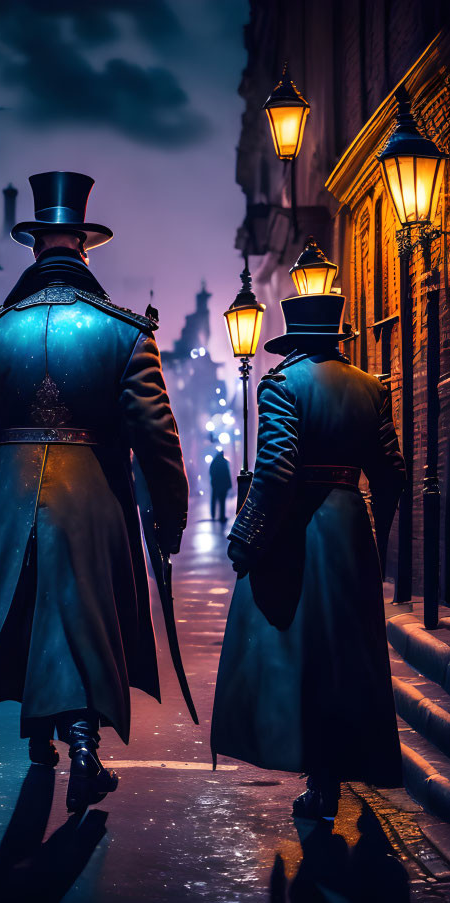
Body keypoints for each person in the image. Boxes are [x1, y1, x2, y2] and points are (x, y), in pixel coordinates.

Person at [0, 172, 188, 814]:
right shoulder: (127, 332)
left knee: (24, 609)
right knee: (82, 617)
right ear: (85, 247)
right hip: (93, 494)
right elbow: (157, 436)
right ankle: (84, 746)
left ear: (36, 246)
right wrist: (170, 519)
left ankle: (41, 743)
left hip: (8, 495)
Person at [211, 283, 406, 822]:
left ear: (292, 340)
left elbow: (275, 472)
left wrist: (247, 537)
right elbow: (391, 475)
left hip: (300, 531)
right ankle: (338, 773)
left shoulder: (281, 385)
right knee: (347, 659)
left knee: (301, 660)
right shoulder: (372, 388)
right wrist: (374, 535)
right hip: (349, 528)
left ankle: (316, 775)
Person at [209, 450, 233, 522]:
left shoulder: (214, 462)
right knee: (222, 501)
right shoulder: (224, 462)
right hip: (223, 485)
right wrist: (229, 484)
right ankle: (222, 516)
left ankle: (213, 515)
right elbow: (227, 474)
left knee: (214, 500)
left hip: (216, 485)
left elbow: (211, 472)